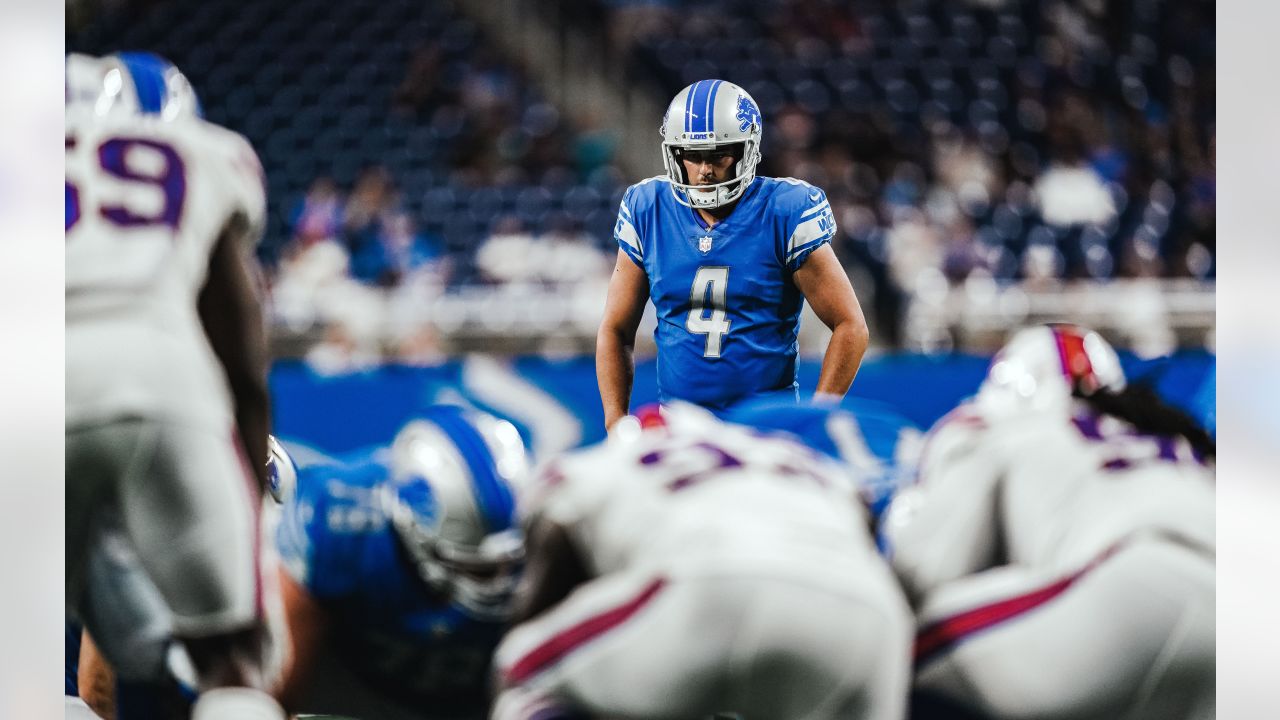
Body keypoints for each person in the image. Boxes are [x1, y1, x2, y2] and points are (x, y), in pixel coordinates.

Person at [65, 52, 283, 719]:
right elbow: (243, 359)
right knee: (233, 660)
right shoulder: (208, 155)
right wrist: (249, 486)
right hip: (162, 379)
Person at [490, 403, 911, 720]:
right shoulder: (799, 460)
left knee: (519, 666)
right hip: (872, 611)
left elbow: (547, 575)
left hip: (712, 584)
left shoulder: (596, 463)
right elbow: (870, 528)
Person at [880, 324, 1215, 720]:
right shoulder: (1176, 436)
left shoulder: (1000, 426)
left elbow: (925, 569)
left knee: (880, 654)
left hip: (1132, 584)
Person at [596, 79, 870, 430]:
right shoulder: (648, 207)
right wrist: (616, 423)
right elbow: (616, 329)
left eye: (718, 155)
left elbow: (851, 326)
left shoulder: (784, 211)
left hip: (765, 432)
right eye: (692, 156)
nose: (705, 170)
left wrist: (812, 419)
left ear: (748, 152)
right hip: (681, 431)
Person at [273, 406, 529, 720]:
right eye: (479, 569)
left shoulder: (551, 526)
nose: (499, 584)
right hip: (355, 678)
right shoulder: (338, 523)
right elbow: (276, 688)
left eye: (508, 565)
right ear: (412, 529)